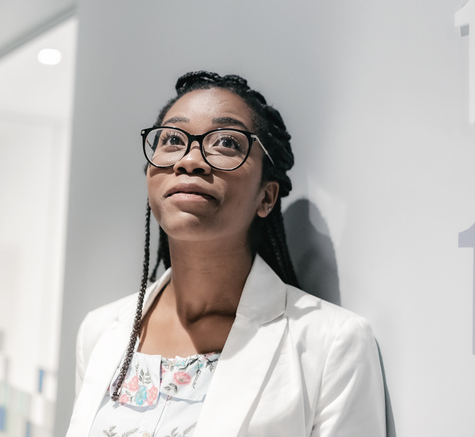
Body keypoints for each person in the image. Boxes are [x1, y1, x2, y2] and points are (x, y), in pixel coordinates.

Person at [66, 71, 387, 436]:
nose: (190, 160)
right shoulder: (101, 331)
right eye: (172, 139)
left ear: (266, 196)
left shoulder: (331, 344)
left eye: (226, 143)